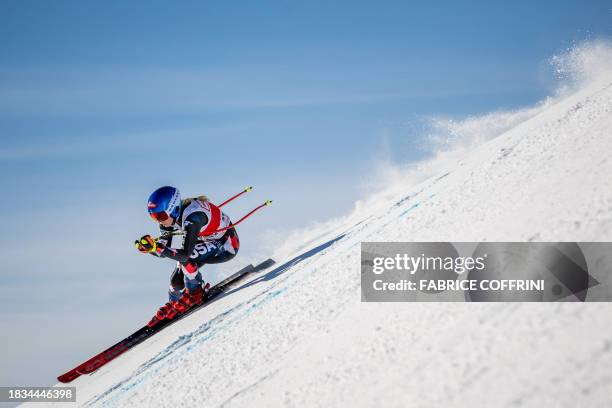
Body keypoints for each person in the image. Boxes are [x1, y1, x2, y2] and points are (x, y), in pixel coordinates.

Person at [135, 186, 240, 325]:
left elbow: (184, 255)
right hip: (206, 240)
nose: (159, 220)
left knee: (186, 259)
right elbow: (163, 250)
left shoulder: (193, 217)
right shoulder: (169, 217)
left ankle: (195, 293)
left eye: (160, 216)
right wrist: (150, 248)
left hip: (225, 245)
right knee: (175, 281)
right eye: (154, 216)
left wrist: (158, 247)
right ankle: (174, 305)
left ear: (173, 208)